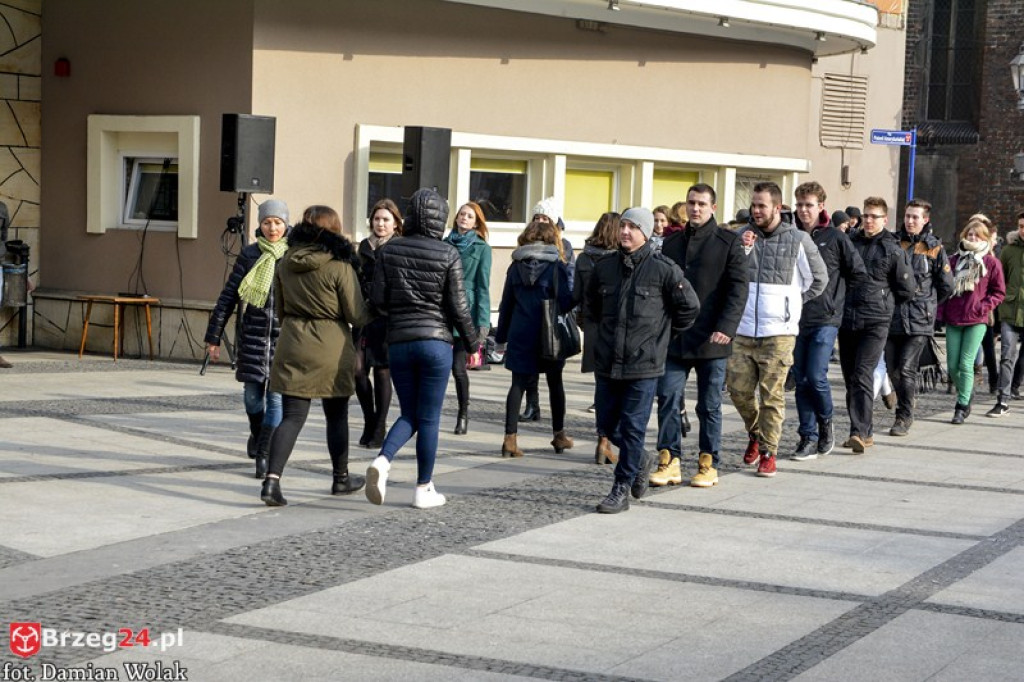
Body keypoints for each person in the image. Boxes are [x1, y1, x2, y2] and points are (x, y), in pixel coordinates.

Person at [366, 188, 478, 509]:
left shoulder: (390, 250)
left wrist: (400, 316)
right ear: (441, 219)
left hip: (399, 342)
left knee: (409, 413)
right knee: (428, 418)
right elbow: (459, 307)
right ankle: (423, 487)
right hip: (436, 343)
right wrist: (472, 343)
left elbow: (377, 300)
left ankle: (383, 462)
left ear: (410, 215)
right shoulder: (448, 253)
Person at [587, 207, 699, 513]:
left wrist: (662, 337)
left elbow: (689, 307)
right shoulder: (605, 266)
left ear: (646, 233)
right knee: (606, 424)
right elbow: (592, 306)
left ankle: (620, 488)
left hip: (644, 364)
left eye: (633, 227)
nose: (625, 232)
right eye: (623, 226)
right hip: (608, 361)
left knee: (634, 427)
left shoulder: (664, 269)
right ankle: (640, 458)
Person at [260, 205, 370, 506]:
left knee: (293, 416)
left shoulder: (284, 262)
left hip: (292, 342)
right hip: (331, 347)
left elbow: (281, 311)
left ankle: (272, 481)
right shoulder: (339, 266)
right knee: (336, 415)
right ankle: (341, 477)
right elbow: (356, 313)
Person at [729, 182, 828, 477]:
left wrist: (792, 303)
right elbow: (730, 278)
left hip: (780, 332)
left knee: (772, 394)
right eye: (753, 205)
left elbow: (818, 280)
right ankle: (756, 434)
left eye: (762, 205)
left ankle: (769, 452)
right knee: (738, 391)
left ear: (777, 207)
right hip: (743, 329)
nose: (756, 210)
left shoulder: (798, 239)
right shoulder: (741, 237)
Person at [652, 184, 747, 488]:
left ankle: (709, 462)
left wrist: (727, 328)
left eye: (702, 204)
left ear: (713, 208)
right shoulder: (672, 243)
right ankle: (669, 460)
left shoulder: (727, 242)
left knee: (708, 406)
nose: (695, 209)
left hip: (712, 337)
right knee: (667, 398)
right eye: (692, 203)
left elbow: (737, 290)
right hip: (675, 337)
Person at [204, 199, 290, 479]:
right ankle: (257, 433)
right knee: (253, 400)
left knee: (276, 401)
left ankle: (264, 455)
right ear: (260, 225)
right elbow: (228, 297)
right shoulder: (249, 255)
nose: (272, 228)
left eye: (277, 222)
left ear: (286, 225)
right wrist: (213, 336)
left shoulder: (293, 256)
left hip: (283, 341)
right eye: (267, 222)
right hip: (252, 338)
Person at [790, 182, 866, 461]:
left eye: (809, 205)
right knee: (800, 379)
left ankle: (826, 422)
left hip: (826, 317)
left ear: (821, 206)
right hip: (796, 317)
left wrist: (838, 300)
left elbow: (857, 273)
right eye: (799, 205)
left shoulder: (835, 237)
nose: (803, 210)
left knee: (816, 376)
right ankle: (807, 436)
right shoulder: (792, 234)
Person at [839, 197, 914, 453]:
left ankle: (858, 432)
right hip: (847, 318)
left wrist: (885, 303)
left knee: (862, 374)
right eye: (866, 216)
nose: (869, 221)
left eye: (875, 216)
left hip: (876, 320)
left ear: (884, 220)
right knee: (850, 377)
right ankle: (864, 430)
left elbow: (906, 289)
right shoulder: (850, 243)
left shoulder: (893, 249)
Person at [496, 220, 574, 457]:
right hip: (548, 335)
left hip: (520, 332)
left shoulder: (515, 266)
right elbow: (566, 302)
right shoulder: (556, 267)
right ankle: (559, 436)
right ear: (552, 239)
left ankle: (510, 439)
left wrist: (501, 337)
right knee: (555, 383)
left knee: (517, 384)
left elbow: (506, 304)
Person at [885, 198, 953, 436]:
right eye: (907, 216)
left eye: (916, 217)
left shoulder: (934, 247)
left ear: (926, 220)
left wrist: (928, 305)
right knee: (892, 369)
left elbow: (946, 286)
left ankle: (903, 416)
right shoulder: (894, 242)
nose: (910, 221)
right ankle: (907, 397)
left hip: (919, 320)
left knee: (906, 369)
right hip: (892, 316)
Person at [938, 219, 1005, 424]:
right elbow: (944, 288)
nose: (972, 237)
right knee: (952, 365)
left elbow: (998, 292)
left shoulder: (991, 263)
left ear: (984, 238)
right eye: (969, 234)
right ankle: (967, 391)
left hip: (976, 319)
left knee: (966, 363)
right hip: (954, 317)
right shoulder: (953, 259)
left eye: (977, 235)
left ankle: (962, 405)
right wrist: (940, 313)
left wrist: (983, 306)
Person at [519, 197, 574, 423]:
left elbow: (568, 279)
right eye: (536, 217)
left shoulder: (564, 246)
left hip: (552, 313)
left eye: (544, 217)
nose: (540, 221)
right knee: (529, 366)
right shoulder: (525, 244)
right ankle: (533, 404)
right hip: (530, 314)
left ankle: (558, 424)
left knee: (553, 368)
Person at [573, 211, 620, 463]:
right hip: (615, 326)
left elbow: (577, 294)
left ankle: (602, 440)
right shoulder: (619, 259)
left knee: (602, 385)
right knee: (618, 385)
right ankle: (607, 441)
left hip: (592, 325)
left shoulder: (584, 257)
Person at [354, 199, 401, 449]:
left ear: (395, 223)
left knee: (383, 371)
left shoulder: (398, 248)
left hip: (387, 318)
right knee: (358, 371)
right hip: (364, 317)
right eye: (377, 219)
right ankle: (369, 419)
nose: (380, 223)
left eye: (385, 219)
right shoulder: (363, 247)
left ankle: (380, 425)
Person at [445, 201, 492, 435]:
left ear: (476, 222)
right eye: (462, 214)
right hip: (443, 312)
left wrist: (483, 322)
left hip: (466, 313)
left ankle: (462, 414)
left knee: (458, 368)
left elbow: (483, 287)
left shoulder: (482, 248)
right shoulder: (444, 244)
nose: (464, 218)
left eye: (470, 216)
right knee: (439, 367)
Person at [989, 210, 1024, 417]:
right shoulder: (1009, 251)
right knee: (1006, 356)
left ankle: (1015, 386)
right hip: (1010, 310)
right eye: (1020, 226)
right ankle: (1002, 400)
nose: (1023, 230)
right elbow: (999, 280)